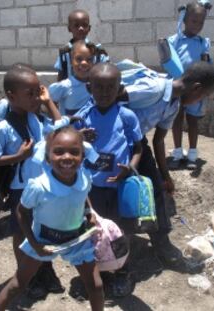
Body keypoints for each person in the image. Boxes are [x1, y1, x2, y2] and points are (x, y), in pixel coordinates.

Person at [0, 126, 104, 311]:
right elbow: (21, 212)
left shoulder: (84, 177)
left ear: (82, 156)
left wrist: (89, 213)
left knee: (96, 285)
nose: (67, 157)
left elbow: (83, 193)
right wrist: (34, 243)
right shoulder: (39, 186)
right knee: (18, 284)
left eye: (74, 152)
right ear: (47, 157)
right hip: (43, 239)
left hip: (76, 238)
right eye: (58, 152)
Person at [0, 65, 64, 299]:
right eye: (30, 93)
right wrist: (18, 157)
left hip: (42, 186)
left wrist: (48, 102)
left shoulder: (37, 119)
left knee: (44, 229)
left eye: (38, 91)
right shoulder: (3, 128)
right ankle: (26, 276)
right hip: (21, 191)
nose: (36, 97)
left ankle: (45, 271)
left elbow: (61, 128)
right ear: (11, 96)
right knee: (22, 233)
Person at [130, 62, 214, 266]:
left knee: (156, 189)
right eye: (202, 96)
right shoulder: (155, 88)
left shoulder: (174, 105)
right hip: (114, 140)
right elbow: (114, 96)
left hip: (137, 142)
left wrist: (165, 176)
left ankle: (162, 243)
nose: (199, 101)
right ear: (196, 88)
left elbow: (159, 140)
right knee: (118, 191)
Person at [74, 63, 143, 297]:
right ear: (88, 87)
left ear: (119, 88)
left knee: (119, 232)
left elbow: (138, 147)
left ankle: (123, 273)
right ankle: (98, 274)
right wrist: (78, 137)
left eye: (110, 87)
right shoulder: (82, 117)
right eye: (98, 87)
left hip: (118, 187)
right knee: (93, 231)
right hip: (91, 190)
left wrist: (130, 168)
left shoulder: (126, 116)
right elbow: (69, 147)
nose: (104, 93)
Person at [168, 1, 212, 170]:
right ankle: (178, 152)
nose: (198, 25)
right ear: (184, 20)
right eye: (194, 21)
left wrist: (206, 86)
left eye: (201, 22)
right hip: (178, 87)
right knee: (176, 119)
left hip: (195, 89)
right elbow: (168, 61)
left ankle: (193, 154)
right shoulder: (175, 40)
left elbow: (206, 64)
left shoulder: (203, 43)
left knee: (193, 121)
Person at [54, 9, 108, 81]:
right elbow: (61, 77)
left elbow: (106, 74)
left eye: (85, 25)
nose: (81, 28)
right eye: (76, 25)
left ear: (89, 28)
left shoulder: (98, 52)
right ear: (69, 28)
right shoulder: (65, 53)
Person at [49, 40, 96, 115]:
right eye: (79, 59)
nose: (84, 63)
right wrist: (58, 120)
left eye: (89, 59)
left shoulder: (97, 85)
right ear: (71, 61)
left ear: (93, 62)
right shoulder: (65, 86)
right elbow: (47, 100)